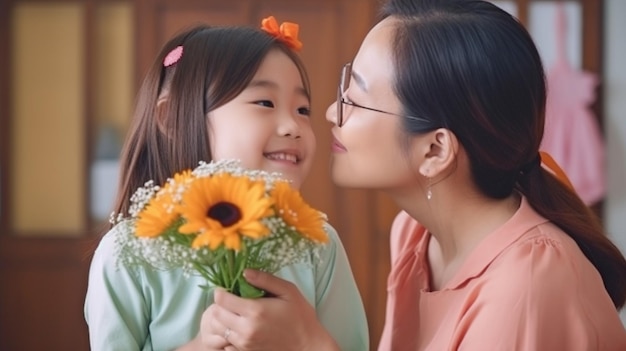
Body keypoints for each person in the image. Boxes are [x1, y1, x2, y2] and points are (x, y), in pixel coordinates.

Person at [204, 0, 626, 350]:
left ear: (435, 149)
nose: (332, 113)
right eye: (344, 87)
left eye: (357, 100)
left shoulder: (529, 286)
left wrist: (308, 344)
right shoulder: (414, 234)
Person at [83, 18, 369, 351]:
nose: (294, 126)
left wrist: (304, 341)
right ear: (172, 117)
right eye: (265, 103)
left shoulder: (319, 245)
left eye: (303, 109)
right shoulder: (127, 253)